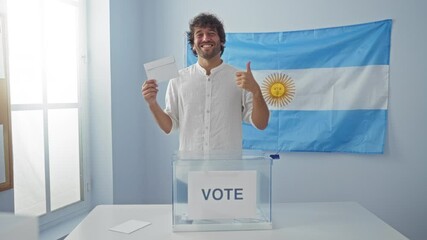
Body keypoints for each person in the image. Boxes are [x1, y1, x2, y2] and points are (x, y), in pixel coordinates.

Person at [141, 13, 269, 152]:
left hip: (228, 168)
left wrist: (256, 92)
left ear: (221, 41)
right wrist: (152, 103)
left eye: (211, 33)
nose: (205, 38)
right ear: (193, 45)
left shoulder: (240, 79)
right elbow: (169, 127)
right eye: (199, 34)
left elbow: (261, 123)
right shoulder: (177, 80)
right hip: (190, 168)